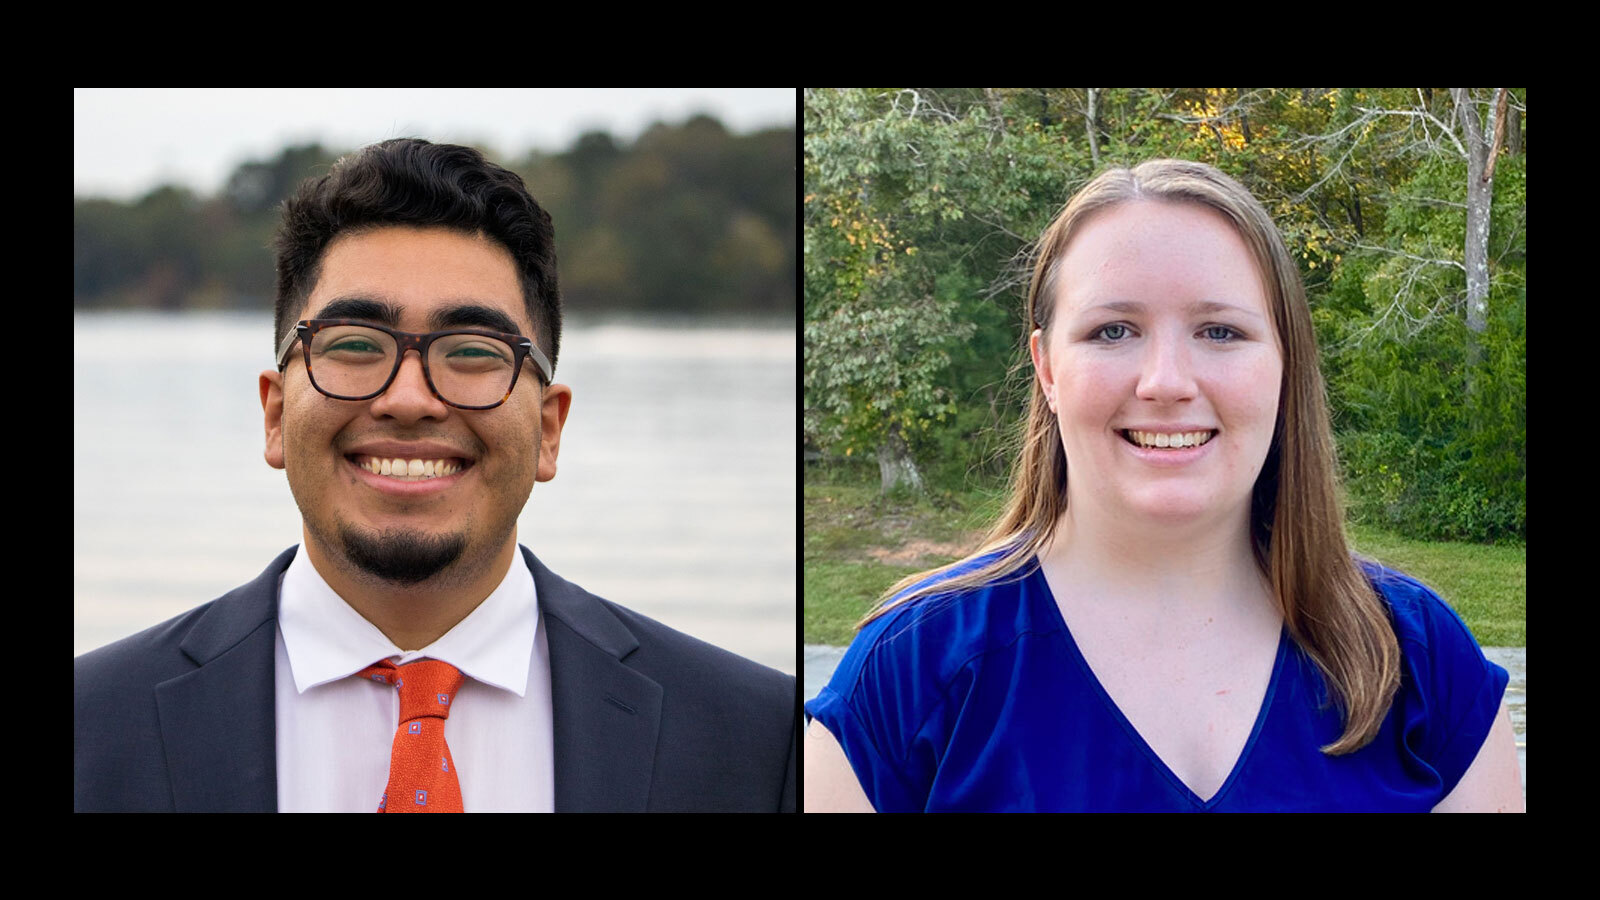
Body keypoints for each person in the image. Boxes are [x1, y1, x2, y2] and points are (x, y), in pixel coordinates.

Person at [75, 138, 796, 813]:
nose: (409, 399)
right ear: (273, 414)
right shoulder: (94, 727)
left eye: (474, 352)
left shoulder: (760, 742)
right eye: (355, 343)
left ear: (549, 430)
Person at [804, 158, 1521, 812]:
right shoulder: (907, 673)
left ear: (1284, 362)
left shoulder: (1418, 657)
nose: (1168, 383)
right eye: (1114, 331)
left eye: (1220, 332)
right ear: (1047, 369)